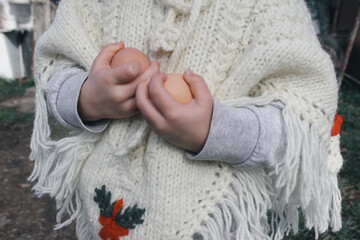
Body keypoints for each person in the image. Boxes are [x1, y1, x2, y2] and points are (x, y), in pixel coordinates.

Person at [29, 0, 343, 239]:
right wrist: (86, 98)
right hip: (102, 208)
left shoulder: (269, 7)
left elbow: (302, 122)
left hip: (216, 223)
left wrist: (214, 131)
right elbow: (54, 73)